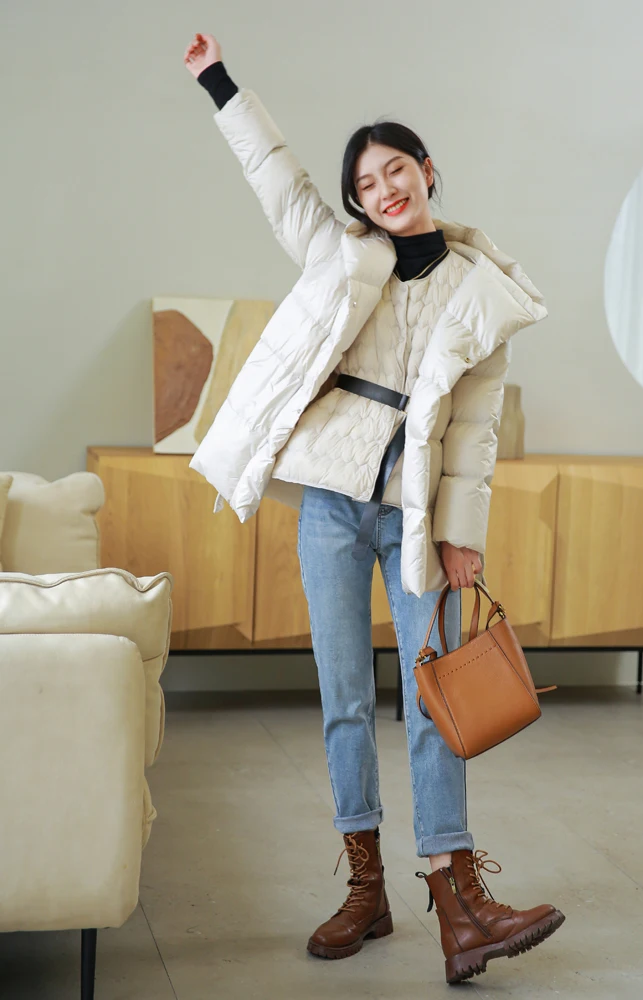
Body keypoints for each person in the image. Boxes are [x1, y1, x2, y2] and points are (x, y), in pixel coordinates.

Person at [183, 32, 565, 985]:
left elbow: (475, 426)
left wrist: (461, 537)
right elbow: (275, 178)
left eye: (396, 168)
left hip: (416, 509)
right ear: (357, 202)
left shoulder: (480, 290)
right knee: (344, 698)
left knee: (436, 695)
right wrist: (219, 82)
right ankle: (367, 889)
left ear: (427, 171)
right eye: (365, 182)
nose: (384, 188)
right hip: (330, 501)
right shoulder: (340, 254)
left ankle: (456, 898)